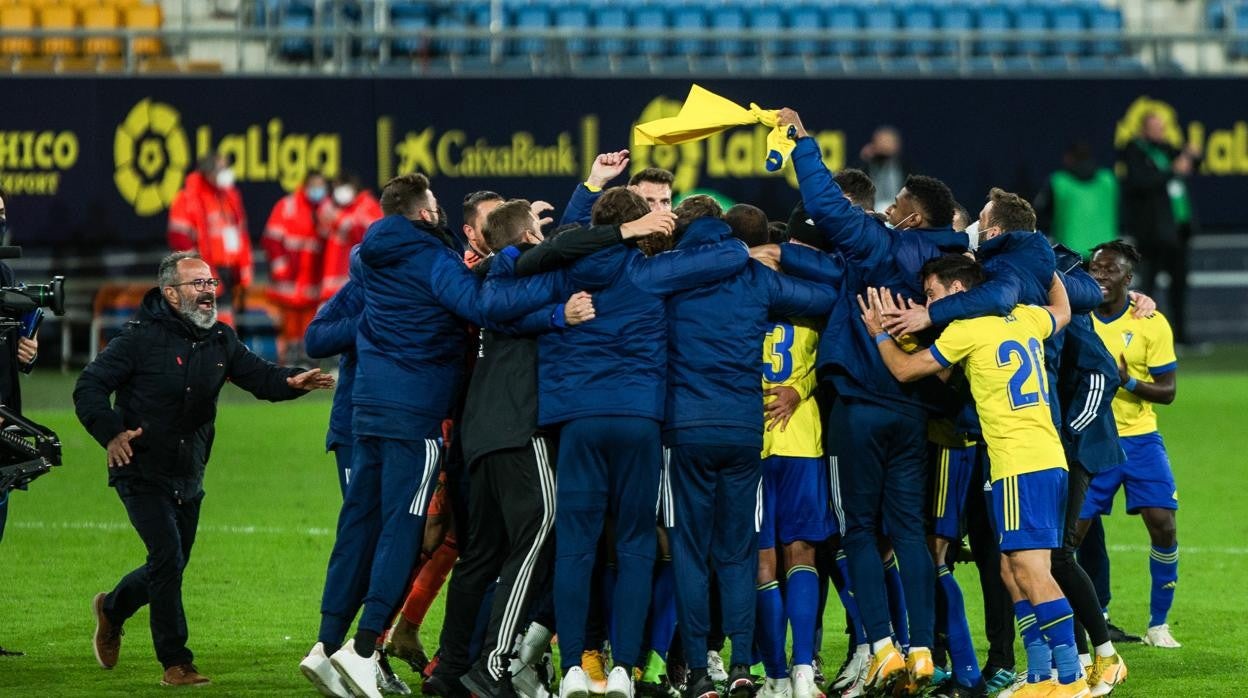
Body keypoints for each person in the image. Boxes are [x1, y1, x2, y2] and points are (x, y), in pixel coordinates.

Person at [479, 187, 746, 698]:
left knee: (577, 547)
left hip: (578, 421)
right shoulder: (649, 273)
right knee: (635, 546)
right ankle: (624, 669)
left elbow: (496, 301)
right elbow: (731, 254)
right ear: (636, 227)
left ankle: (578, 665)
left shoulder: (562, 277)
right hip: (639, 420)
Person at [769, 108, 970, 695]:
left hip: (858, 403)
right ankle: (924, 650)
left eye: (898, 198)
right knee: (908, 530)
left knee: (859, 528)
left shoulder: (884, 247)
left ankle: (881, 646)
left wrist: (802, 143)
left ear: (910, 214)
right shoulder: (952, 262)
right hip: (911, 408)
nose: (888, 203)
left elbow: (830, 210)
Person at [73, 251, 333, 687]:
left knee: (169, 564)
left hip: (189, 471)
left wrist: (292, 381)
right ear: (171, 293)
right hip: (140, 468)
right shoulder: (138, 339)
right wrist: (112, 433)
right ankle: (176, 663)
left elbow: (259, 376)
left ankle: (113, 608)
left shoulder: (220, 340)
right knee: (168, 558)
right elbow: (89, 387)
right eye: (198, 284)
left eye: (211, 283)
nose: (209, 291)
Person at [862, 254, 1090, 698]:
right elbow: (1062, 310)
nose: (928, 303)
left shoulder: (968, 328)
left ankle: (1071, 676)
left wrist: (877, 334)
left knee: (1030, 568)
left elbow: (905, 370)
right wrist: (1048, 270)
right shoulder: (1023, 316)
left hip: (1018, 461)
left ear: (958, 291)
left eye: (932, 294)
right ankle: (1042, 675)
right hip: (1045, 456)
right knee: (1011, 567)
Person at [1078, 240, 1182, 650]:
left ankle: (1159, 624)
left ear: (1128, 278)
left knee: (1164, 524)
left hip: (1140, 439)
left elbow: (1169, 391)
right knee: (1073, 538)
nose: (1101, 276)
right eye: (1095, 269)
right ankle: (1082, 622)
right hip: (1092, 439)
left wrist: (1127, 381)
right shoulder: (1076, 315)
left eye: (1110, 270)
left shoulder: (1151, 322)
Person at [0, 184, 41, 658]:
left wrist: (24, 353)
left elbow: (9, 348)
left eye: (4, 212)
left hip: (5, 415)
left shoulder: (4, 270)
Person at [1119, 113, 1201, 345]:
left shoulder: (1166, 149)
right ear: (1144, 129)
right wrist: (1172, 170)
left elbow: (1189, 164)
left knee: (1179, 284)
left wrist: (1192, 155)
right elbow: (1141, 182)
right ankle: (1147, 334)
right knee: (1149, 284)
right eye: (1155, 127)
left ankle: (1181, 335)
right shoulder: (1135, 151)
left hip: (1177, 231)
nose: (1160, 132)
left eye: (1162, 127)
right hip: (1152, 232)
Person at [167, 153, 252, 325]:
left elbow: (240, 233)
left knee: (226, 323)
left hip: (228, 271)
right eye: (221, 168)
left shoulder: (229, 197)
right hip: (203, 275)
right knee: (203, 325)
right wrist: (199, 271)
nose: (226, 172)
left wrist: (242, 268)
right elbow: (179, 238)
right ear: (208, 172)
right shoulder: (188, 199)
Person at [264, 171, 330, 362]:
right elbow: (271, 238)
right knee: (290, 319)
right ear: (306, 185)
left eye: (321, 186)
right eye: (314, 185)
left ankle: (308, 356)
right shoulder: (288, 205)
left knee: (311, 317)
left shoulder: (326, 208)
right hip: (290, 273)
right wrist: (279, 266)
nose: (318, 190)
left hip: (313, 274)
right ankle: (290, 356)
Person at [1034, 142, 1119, 257]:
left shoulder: (1058, 182)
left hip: (1070, 255)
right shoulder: (1108, 180)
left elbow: (1040, 215)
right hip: (1103, 254)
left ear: (1068, 158)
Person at [320, 173, 383, 301]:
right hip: (334, 281)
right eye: (335, 188)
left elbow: (368, 235)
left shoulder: (368, 205)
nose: (339, 192)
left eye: (342, 187)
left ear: (353, 187)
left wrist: (340, 220)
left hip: (359, 279)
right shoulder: (336, 208)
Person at [855, 126, 915, 213]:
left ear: (897, 145)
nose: (885, 146)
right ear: (874, 144)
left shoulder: (906, 169)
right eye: (882, 141)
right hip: (871, 214)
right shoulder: (865, 168)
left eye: (889, 141)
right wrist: (864, 160)